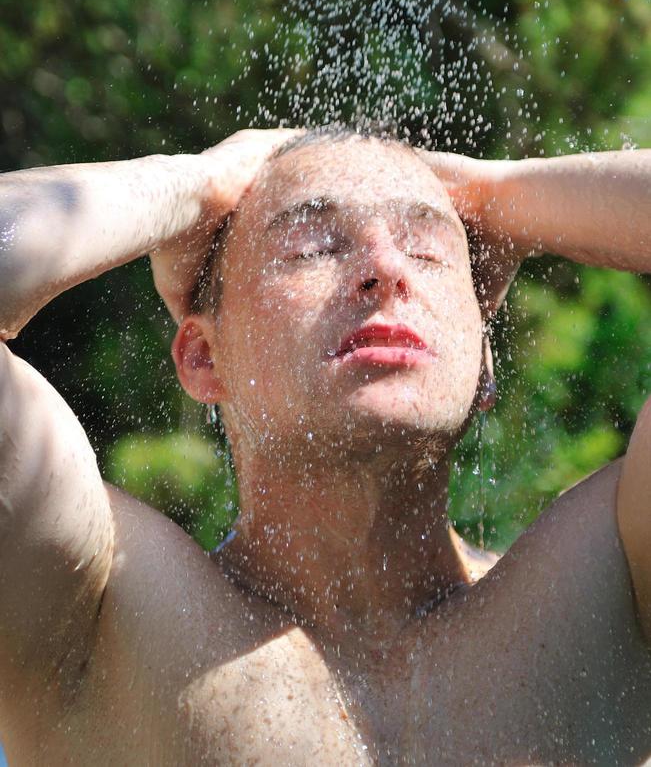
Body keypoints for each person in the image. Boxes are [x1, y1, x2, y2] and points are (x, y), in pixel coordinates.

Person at [0, 126, 650, 766]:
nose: (386, 270)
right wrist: (196, 184)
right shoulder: (101, 607)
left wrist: (499, 191)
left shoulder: (614, 591)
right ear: (203, 357)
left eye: (425, 248)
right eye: (311, 246)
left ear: (484, 357)